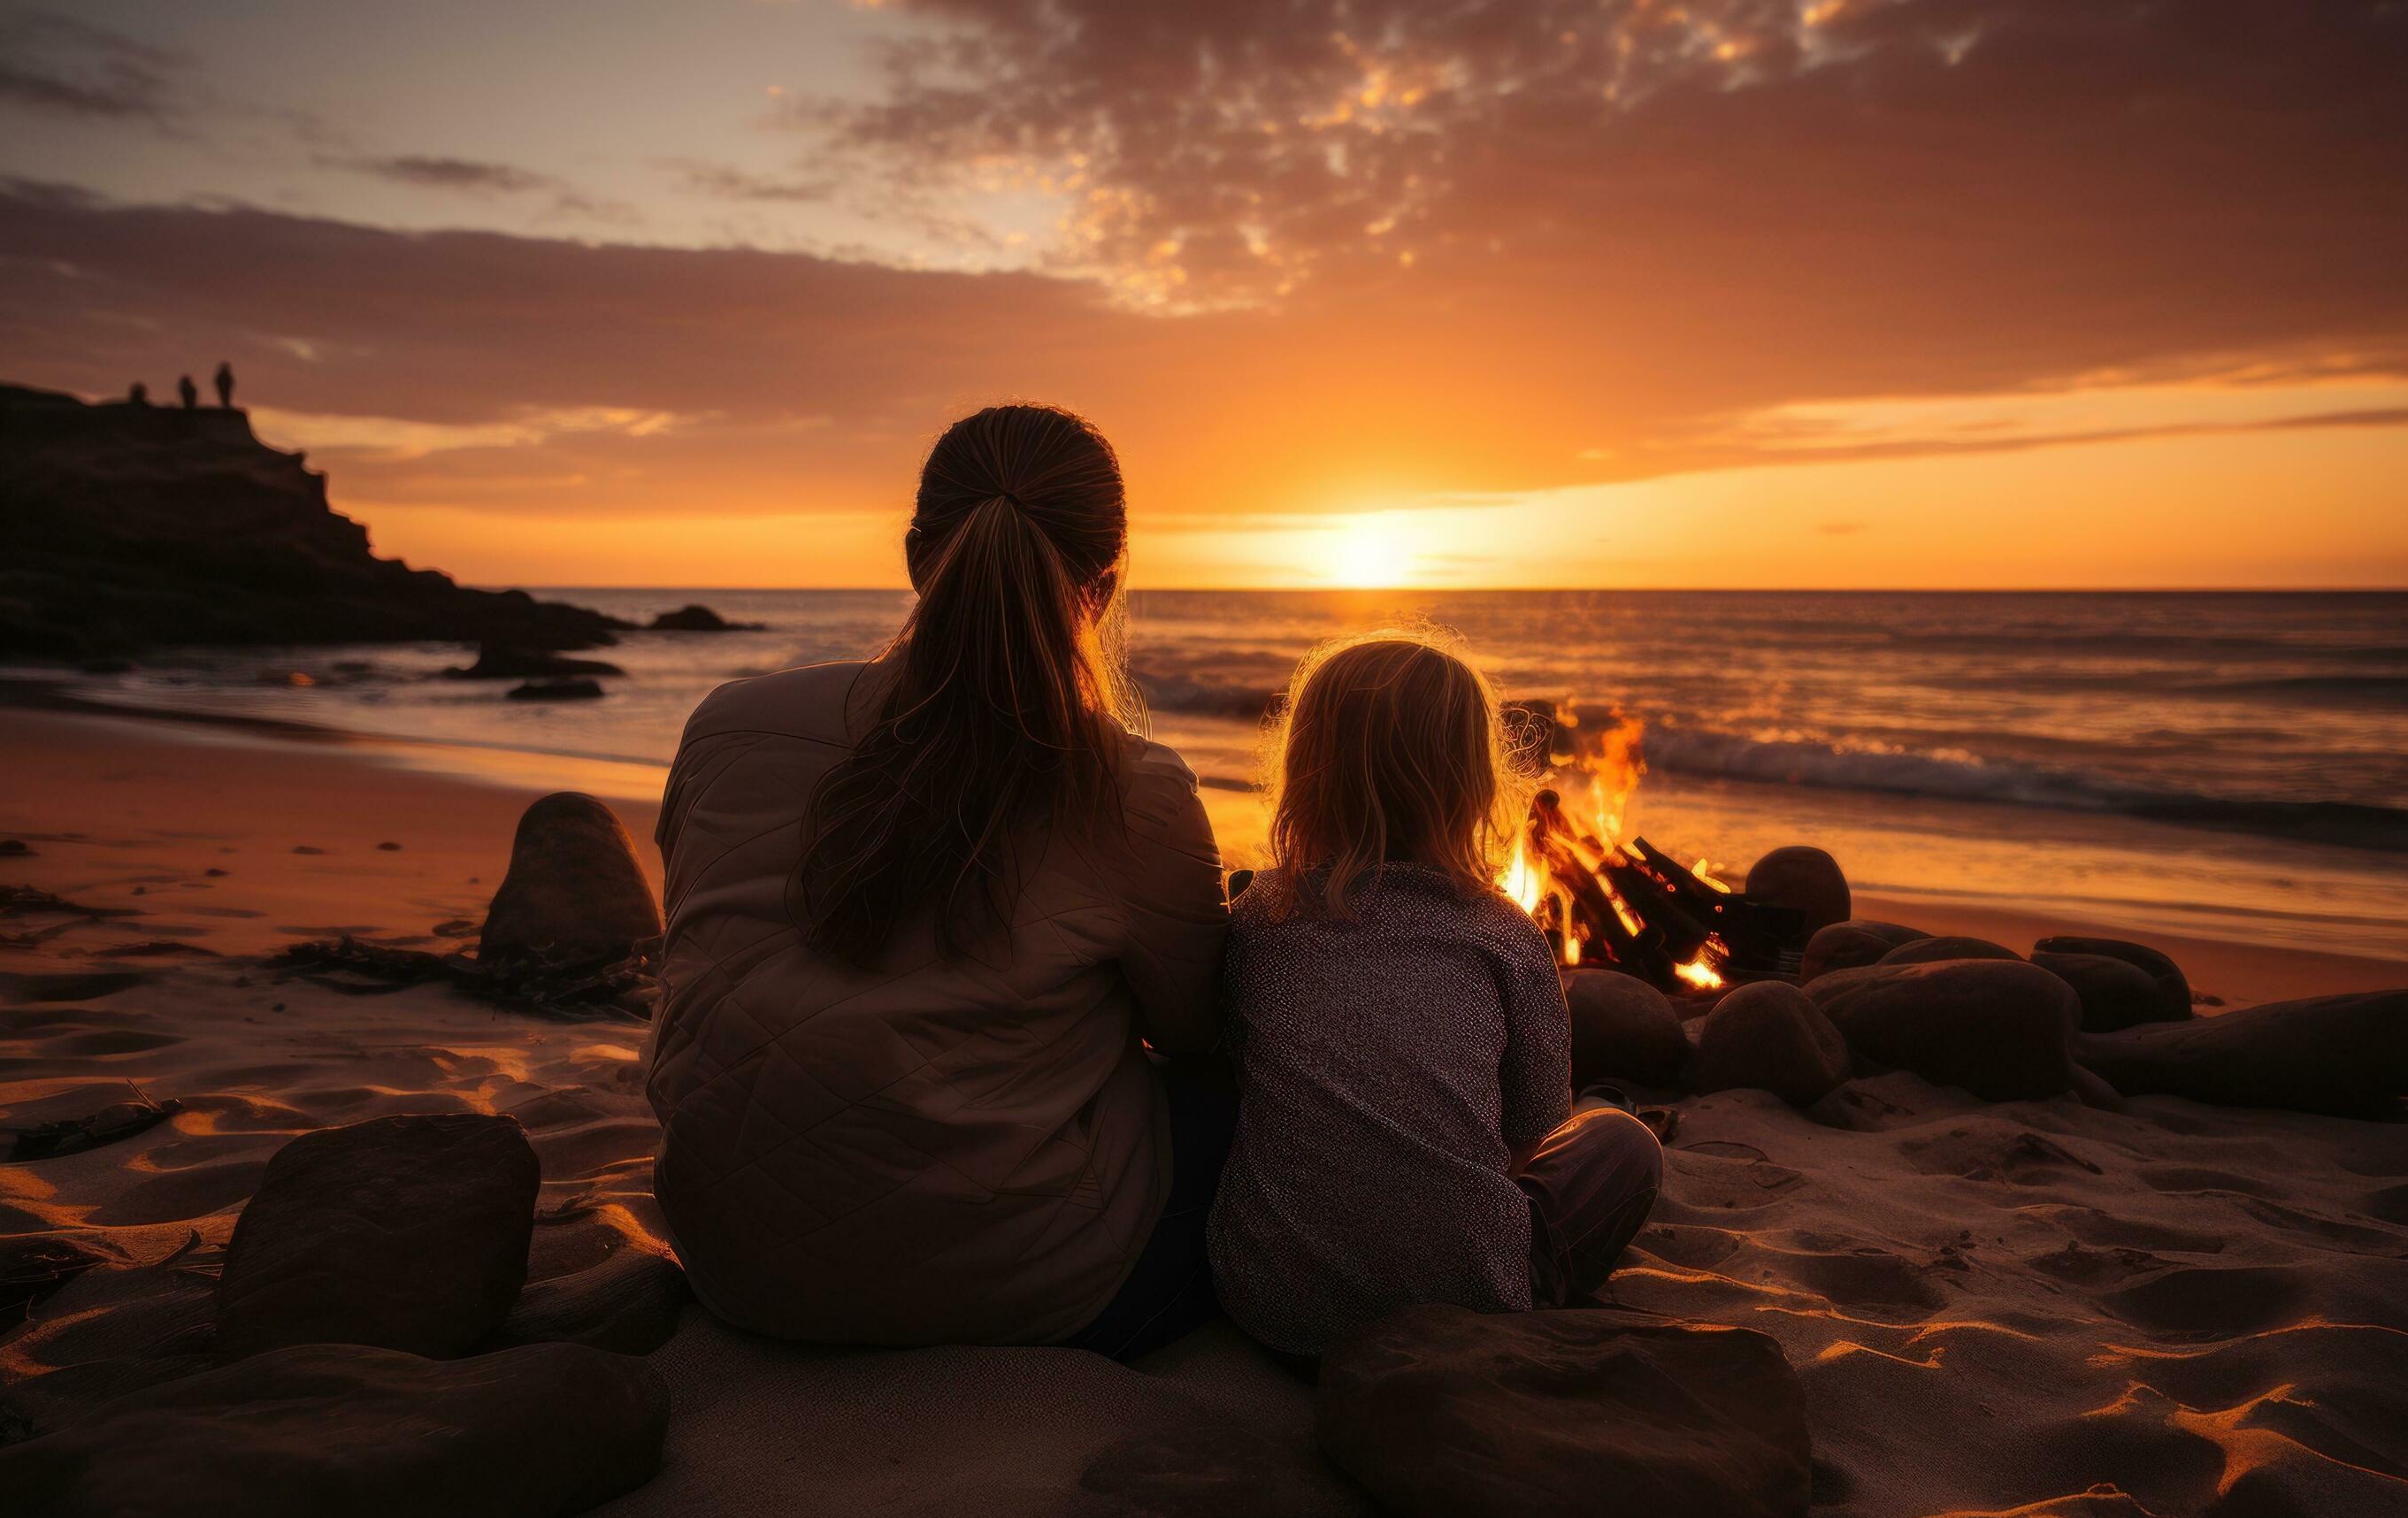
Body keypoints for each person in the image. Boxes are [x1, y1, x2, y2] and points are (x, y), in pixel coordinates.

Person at [646, 404, 1231, 1358]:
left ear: (920, 556)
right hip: (1022, 1296)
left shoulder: (724, 728)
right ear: (1107, 585)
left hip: (731, 1266)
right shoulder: (1129, 786)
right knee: (1237, 1101)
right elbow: (1200, 1028)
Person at [1209, 631, 1666, 1360]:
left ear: (1304, 773)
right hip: (1465, 1305)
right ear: (1473, 787)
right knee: (1619, 1142)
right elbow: (1530, 1135)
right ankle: (1614, 1114)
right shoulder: (1504, 933)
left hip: (1271, 1306)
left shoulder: (1259, 919)